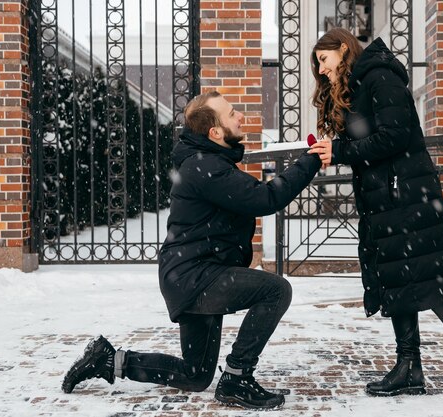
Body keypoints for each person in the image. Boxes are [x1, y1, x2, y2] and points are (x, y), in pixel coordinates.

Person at [62, 91, 324, 410]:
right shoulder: (208, 167)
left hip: (192, 273)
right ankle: (237, 378)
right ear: (215, 132)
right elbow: (265, 199)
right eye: (231, 114)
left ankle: (109, 360)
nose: (239, 116)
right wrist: (311, 160)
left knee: (195, 375)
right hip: (196, 277)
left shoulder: (208, 162)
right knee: (276, 290)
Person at [309, 28, 443, 402]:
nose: (321, 69)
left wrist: (342, 152)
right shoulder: (361, 84)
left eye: (323, 59)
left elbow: (395, 136)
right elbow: (372, 137)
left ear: (344, 49)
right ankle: (409, 366)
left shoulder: (379, 76)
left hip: (406, 193)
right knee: (398, 276)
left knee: (427, 277)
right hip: (387, 196)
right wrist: (337, 146)